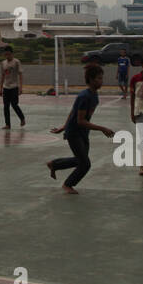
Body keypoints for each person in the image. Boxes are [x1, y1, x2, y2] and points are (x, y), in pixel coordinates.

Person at [46, 64, 114, 194]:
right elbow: (80, 120)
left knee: (80, 160)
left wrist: (62, 127)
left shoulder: (94, 95)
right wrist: (102, 128)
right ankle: (68, 185)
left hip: (83, 132)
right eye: (99, 78)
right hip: (74, 133)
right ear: (91, 79)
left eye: (102, 78)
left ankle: (54, 165)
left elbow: (74, 111)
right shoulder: (84, 96)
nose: (101, 81)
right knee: (85, 164)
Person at [0, 45, 25, 129]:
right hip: (6, 87)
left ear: (12, 54)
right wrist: (0, 88)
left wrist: (21, 87)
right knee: (6, 106)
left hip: (14, 87)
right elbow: (2, 76)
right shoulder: (3, 63)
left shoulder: (16, 62)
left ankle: (22, 118)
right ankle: (7, 124)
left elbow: (20, 74)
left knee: (14, 104)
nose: (7, 56)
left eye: (9, 54)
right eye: (6, 54)